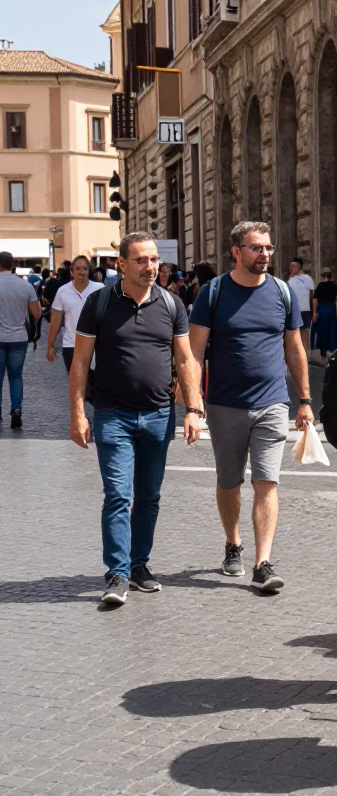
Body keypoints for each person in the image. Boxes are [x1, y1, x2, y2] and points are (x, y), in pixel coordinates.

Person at [69, 233, 203, 605]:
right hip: (113, 415)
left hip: (159, 415)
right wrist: (78, 413)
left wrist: (193, 408)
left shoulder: (172, 304)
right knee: (117, 496)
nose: (151, 267)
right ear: (121, 264)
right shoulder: (99, 304)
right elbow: (80, 362)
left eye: (154, 259)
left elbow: (185, 360)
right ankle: (117, 572)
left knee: (148, 497)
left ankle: (139, 565)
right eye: (141, 260)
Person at [189, 221, 312, 593]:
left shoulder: (282, 292)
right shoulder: (212, 293)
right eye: (257, 248)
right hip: (225, 404)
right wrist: (194, 404)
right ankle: (233, 543)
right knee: (229, 481)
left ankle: (263, 562)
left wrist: (305, 400)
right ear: (237, 251)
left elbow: (294, 348)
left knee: (266, 482)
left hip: (273, 402)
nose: (266, 255)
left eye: (269, 248)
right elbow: (194, 352)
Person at [0, 251, 41, 428]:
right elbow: (37, 313)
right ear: (12, 265)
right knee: (16, 376)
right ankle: (16, 409)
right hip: (19, 338)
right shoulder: (25, 286)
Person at [46, 254, 100, 377]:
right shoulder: (63, 291)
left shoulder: (99, 289)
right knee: (76, 386)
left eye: (85, 269)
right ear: (71, 272)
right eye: (78, 269)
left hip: (95, 346)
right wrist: (50, 345)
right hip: (71, 345)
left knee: (95, 386)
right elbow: (56, 320)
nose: (82, 271)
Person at [311, 269, 337, 358]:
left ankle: (323, 351)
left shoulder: (320, 286)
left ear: (322, 276)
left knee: (322, 330)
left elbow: (315, 300)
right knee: (332, 329)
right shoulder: (334, 286)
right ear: (330, 275)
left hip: (322, 309)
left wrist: (314, 312)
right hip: (332, 308)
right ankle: (332, 349)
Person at [288, 258, 315, 353]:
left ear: (299, 266)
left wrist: (314, 312)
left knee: (304, 335)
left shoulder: (307, 279)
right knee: (293, 335)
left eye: (294, 266)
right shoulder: (289, 280)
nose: (292, 268)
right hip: (293, 311)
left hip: (305, 310)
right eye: (291, 266)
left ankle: (306, 358)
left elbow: (313, 296)